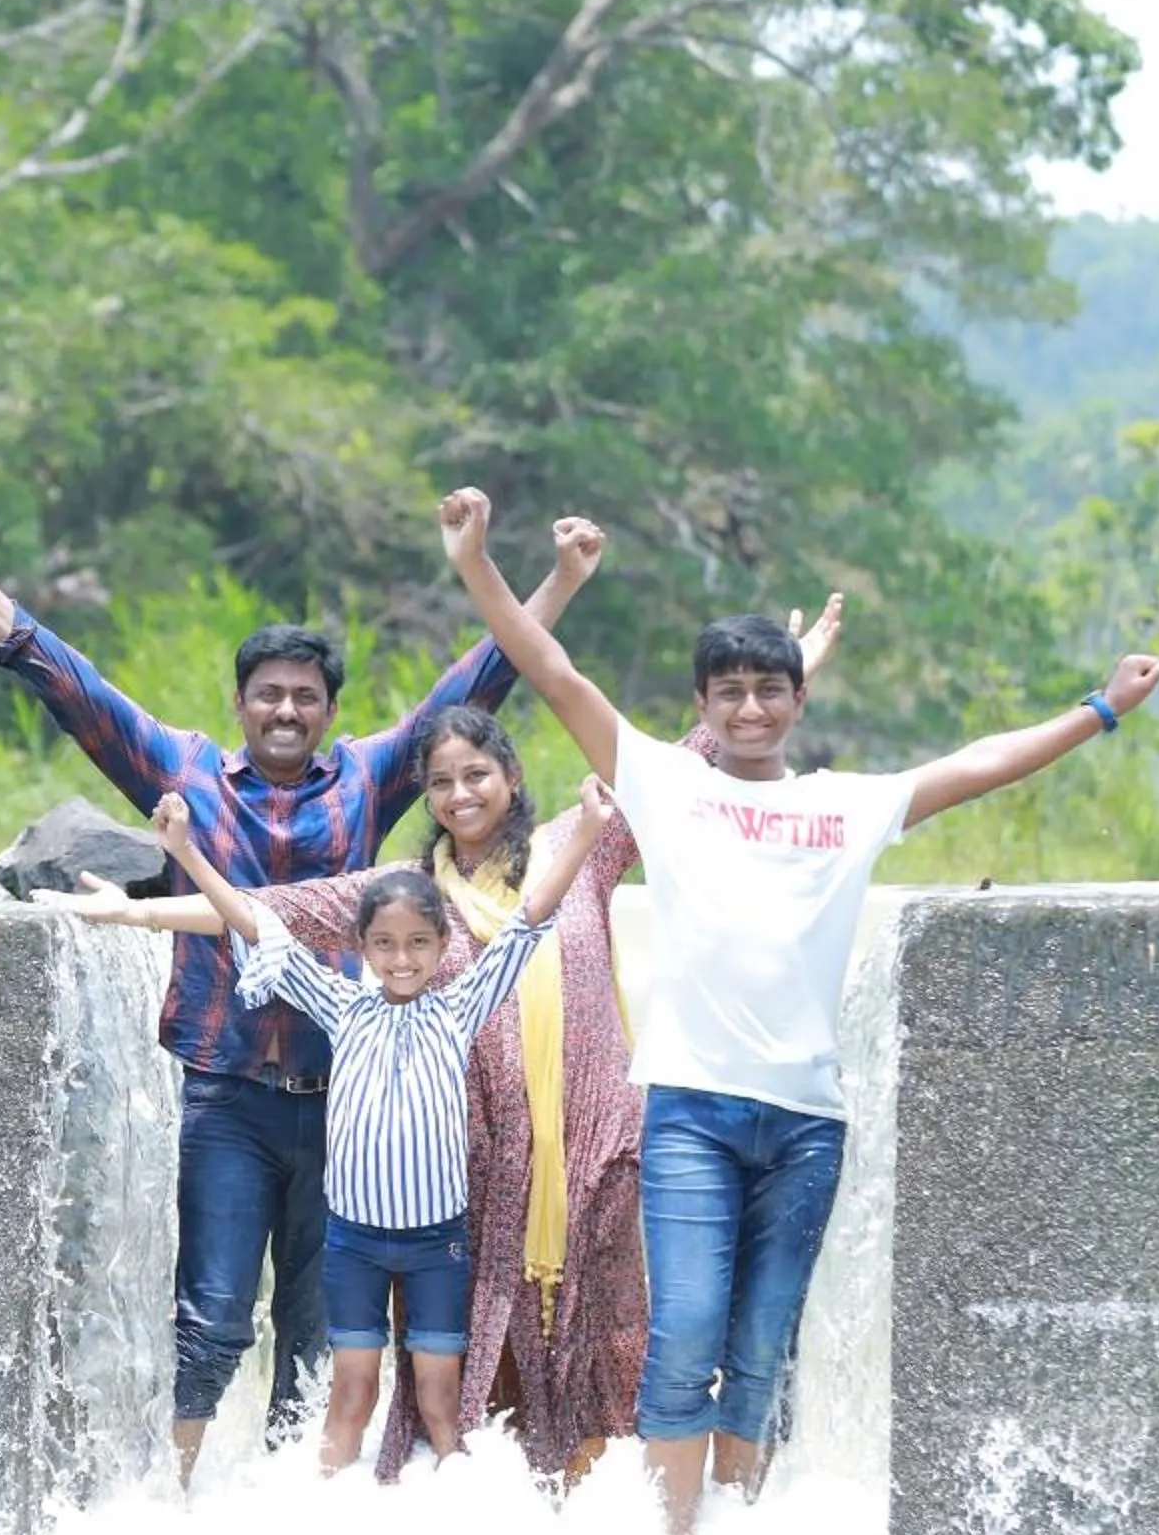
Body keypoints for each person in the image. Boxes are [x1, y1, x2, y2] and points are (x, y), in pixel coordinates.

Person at [435, 483, 1159, 1535]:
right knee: (684, 1335)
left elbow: (971, 766)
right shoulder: (660, 783)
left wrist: (1098, 709)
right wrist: (474, 564)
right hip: (688, 1111)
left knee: (764, 1344)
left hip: (803, 1125)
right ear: (702, 704)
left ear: (794, 701)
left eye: (766, 691)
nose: (748, 710)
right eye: (727, 693)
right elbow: (551, 670)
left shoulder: (843, 805)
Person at [67, 593, 843, 1486]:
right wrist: (127, 913)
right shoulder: (405, 897)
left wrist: (796, 664)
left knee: (612, 1349)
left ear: (510, 777)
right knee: (487, 1373)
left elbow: (686, 762)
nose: (460, 793)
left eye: (477, 774)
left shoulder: (576, 848)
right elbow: (262, 915)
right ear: (426, 798)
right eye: (440, 782)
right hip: (470, 1168)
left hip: (595, 1150)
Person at [0, 513, 603, 1478]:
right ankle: (185, 1491)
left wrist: (560, 583)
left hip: (345, 1102)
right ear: (241, 703)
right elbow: (81, 695)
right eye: (270, 695)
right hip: (228, 1092)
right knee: (210, 1313)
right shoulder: (185, 768)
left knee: (320, 1332)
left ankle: (297, 1501)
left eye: (306, 698)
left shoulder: (368, 778)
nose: (287, 711)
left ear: (329, 710)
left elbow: (478, 678)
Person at [147, 776, 616, 1475]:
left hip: (436, 1246)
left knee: (438, 1397)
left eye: (418, 943)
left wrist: (582, 834)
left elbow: (529, 921)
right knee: (353, 1393)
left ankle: (448, 1517)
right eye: (387, 944)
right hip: (355, 1246)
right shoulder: (341, 1006)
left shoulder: (459, 1007)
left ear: (440, 945)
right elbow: (252, 924)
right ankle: (331, 1524)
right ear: (364, 948)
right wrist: (185, 849)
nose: (403, 959)